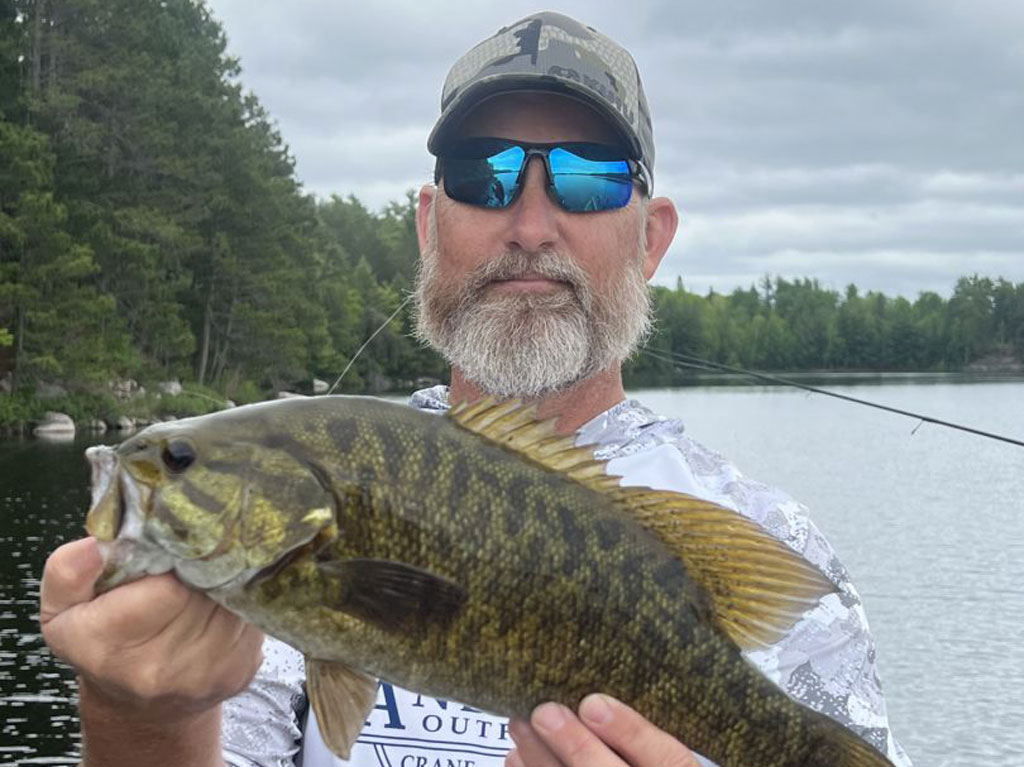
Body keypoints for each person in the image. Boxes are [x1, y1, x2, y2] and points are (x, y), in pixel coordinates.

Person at [39, 11, 911, 767]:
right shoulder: (249, 583)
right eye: (482, 173)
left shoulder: (767, 536)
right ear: (428, 225)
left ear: (651, 238)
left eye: (589, 175)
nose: (531, 225)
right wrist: (142, 714)